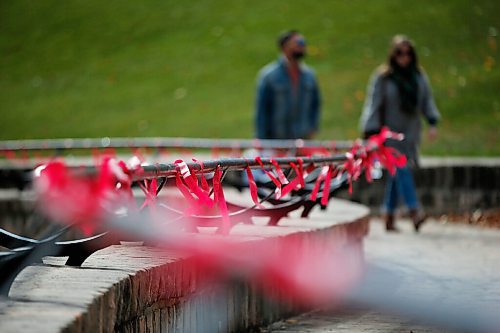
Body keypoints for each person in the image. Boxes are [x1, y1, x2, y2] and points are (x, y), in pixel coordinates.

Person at [359, 35, 440, 232]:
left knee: (398, 173)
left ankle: (388, 214)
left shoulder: (418, 76)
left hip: (410, 132)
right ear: (393, 55)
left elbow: (426, 100)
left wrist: (432, 122)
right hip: (389, 133)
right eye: (399, 53)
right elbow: (374, 103)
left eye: (408, 53)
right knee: (401, 167)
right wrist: (370, 130)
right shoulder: (383, 77)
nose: (404, 57)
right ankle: (414, 210)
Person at [255, 30, 321, 140]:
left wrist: (313, 129)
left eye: (303, 43)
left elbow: (315, 105)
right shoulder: (269, 76)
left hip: (302, 140)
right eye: (298, 43)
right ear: (284, 47)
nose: (301, 46)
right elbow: (262, 110)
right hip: (276, 140)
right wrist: (262, 138)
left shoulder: (309, 75)